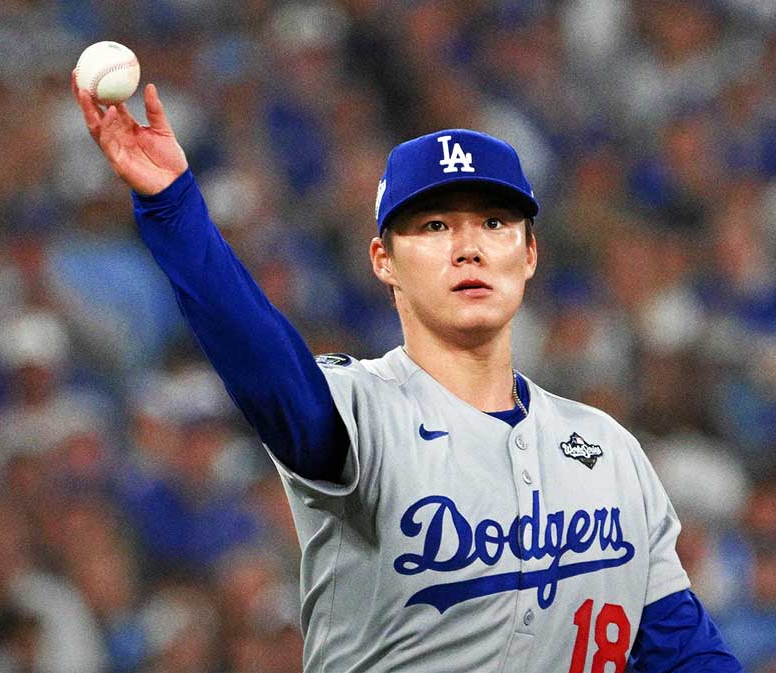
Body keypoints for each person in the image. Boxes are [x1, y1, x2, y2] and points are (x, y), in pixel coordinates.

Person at [72, 74, 741, 672]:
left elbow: (683, 650)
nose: (469, 247)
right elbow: (263, 363)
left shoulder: (609, 449)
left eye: (494, 221)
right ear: (382, 260)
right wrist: (174, 209)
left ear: (530, 254)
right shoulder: (363, 412)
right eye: (435, 225)